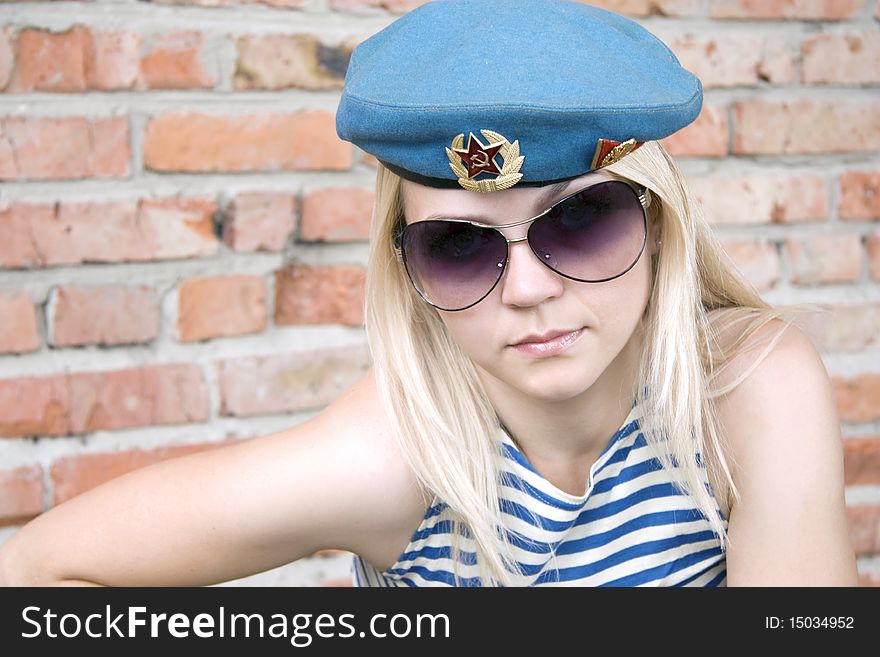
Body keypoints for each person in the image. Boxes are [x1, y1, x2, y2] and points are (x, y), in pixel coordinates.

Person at [0, 0, 858, 587]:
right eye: (458, 245)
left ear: (660, 224)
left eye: (580, 223)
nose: (527, 288)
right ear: (408, 273)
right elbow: (36, 571)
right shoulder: (395, 457)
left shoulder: (746, 393)